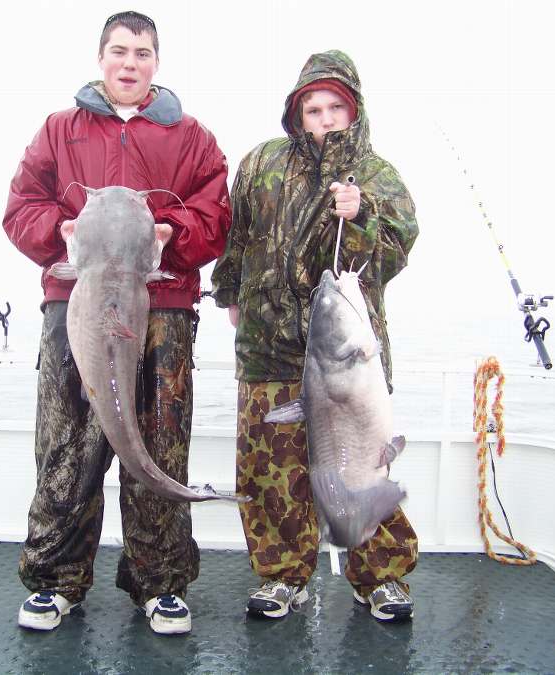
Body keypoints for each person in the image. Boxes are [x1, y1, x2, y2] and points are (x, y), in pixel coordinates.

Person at [2, 11, 230, 635]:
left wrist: (169, 235)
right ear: (101, 57)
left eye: (143, 53)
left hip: (163, 308)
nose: (131, 63)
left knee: (159, 442)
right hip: (73, 302)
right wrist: (62, 232)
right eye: (120, 52)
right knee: (67, 443)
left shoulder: (193, 139)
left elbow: (214, 219)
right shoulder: (59, 130)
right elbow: (21, 208)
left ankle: (159, 584)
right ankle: (55, 581)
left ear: (158, 62)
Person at [211, 50, 420, 622]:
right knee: (270, 471)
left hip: (346, 360)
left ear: (353, 112)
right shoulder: (260, 164)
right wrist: (229, 294)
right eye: (313, 108)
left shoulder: (376, 176)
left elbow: (393, 254)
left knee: (362, 467)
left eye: (335, 108)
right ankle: (283, 576)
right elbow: (237, 237)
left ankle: (379, 577)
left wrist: (362, 216)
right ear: (296, 111)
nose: (324, 119)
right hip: (267, 348)